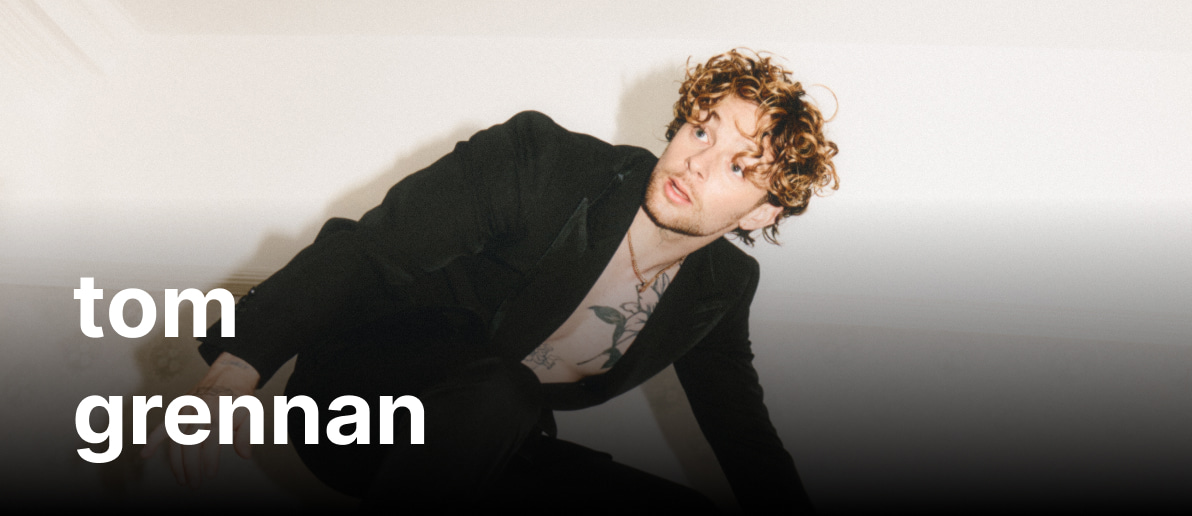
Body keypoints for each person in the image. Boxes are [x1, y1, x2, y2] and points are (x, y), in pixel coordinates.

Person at [142, 49, 838, 514]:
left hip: (485, 448)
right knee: (503, 389)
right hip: (356, 396)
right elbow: (370, 251)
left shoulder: (722, 286)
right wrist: (236, 370)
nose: (696, 162)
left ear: (764, 210)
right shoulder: (544, 165)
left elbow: (744, 436)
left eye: (739, 167)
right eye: (701, 131)